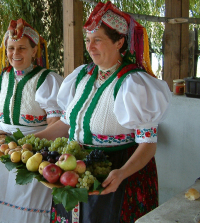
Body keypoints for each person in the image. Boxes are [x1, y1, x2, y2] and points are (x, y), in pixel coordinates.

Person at [34, 2, 172, 223]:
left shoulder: (135, 84)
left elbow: (148, 144)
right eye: (88, 40)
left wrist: (122, 173)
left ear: (119, 42)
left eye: (98, 40)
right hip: (72, 168)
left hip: (115, 175)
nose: (90, 47)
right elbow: (67, 124)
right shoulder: (81, 76)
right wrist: (30, 140)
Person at [0, 19, 63, 222]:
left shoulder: (46, 80)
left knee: (25, 200)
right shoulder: (1, 78)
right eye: (11, 48)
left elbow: (55, 122)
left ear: (35, 51)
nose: (15, 53)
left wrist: (32, 145)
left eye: (22, 48)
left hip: (31, 147)